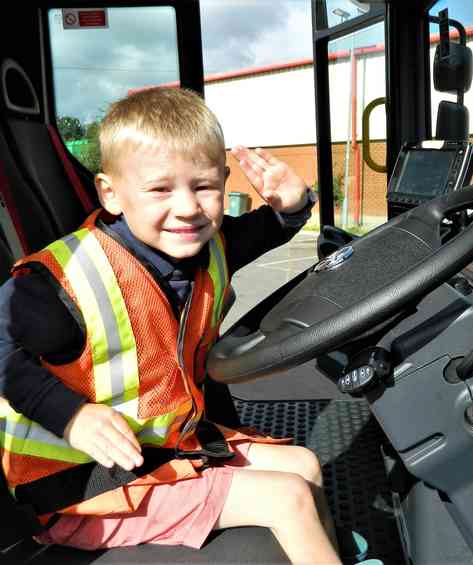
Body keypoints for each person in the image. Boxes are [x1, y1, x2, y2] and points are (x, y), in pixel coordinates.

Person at [0, 88, 378, 564]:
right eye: (160, 189)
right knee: (288, 498)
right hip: (80, 485)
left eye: (204, 187)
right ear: (111, 194)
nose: (188, 208)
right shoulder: (62, 280)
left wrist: (294, 205)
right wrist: (70, 415)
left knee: (302, 465)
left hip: (159, 448)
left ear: (225, 183)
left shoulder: (209, 245)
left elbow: (269, 227)